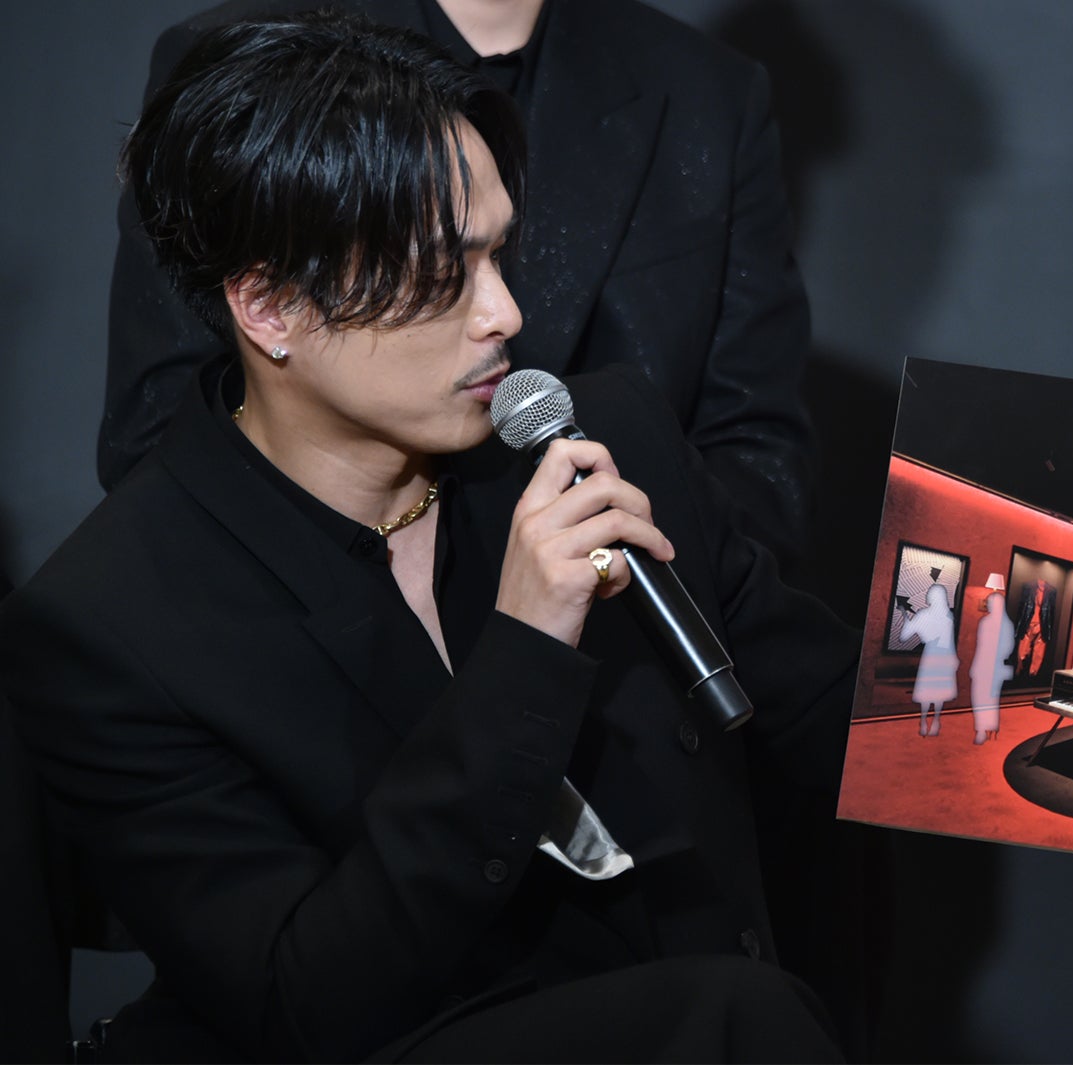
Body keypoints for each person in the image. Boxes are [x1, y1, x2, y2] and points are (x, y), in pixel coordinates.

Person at [4, 13, 855, 1060]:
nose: (504, 313)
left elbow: (843, 718)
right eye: (445, 274)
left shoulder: (600, 441)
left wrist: (1036, 563)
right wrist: (528, 646)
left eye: (499, 254)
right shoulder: (110, 624)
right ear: (269, 307)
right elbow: (302, 1000)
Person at [101, 0, 817, 567]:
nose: (506, 315)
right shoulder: (243, 60)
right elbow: (163, 430)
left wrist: (590, 593)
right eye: (441, 269)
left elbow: (758, 458)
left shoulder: (706, 92)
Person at [901, 584, 957, 738]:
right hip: (943, 655)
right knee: (938, 690)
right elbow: (948, 642)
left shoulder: (924, 614)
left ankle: (924, 720)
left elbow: (905, 636)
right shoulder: (947, 616)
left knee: (927, 689)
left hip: (932, 654)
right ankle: (935, 721)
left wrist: (906, 618)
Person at [969, 591, 1015, 745]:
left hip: (993, 666)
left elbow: (1007, 647)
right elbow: (980, 646)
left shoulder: (1004, 625)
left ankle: (987, 729)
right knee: (981, 698)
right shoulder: (988, 622)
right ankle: (983, 729)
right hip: (983, 664)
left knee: (988, 699)